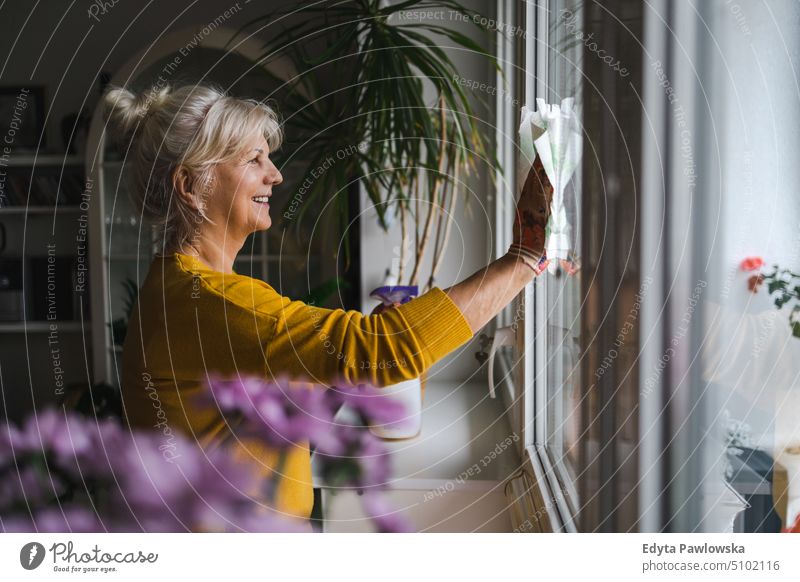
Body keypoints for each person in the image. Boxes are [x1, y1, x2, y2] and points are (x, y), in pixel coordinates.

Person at [106, 84, 552, 522]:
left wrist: (341, 370)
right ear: (190, 184)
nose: (275, 174)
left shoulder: (181, 287)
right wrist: (524, 257)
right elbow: (379, 350)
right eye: (253, 159)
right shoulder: (210, 302)